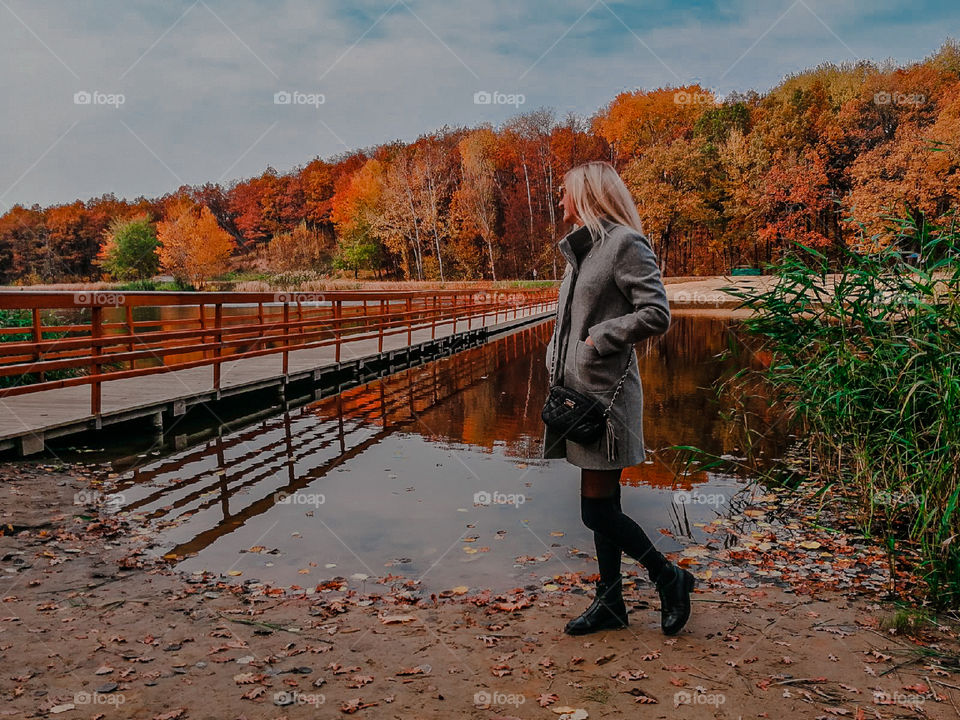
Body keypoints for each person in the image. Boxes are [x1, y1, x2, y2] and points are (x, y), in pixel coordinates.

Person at [542, 160, 695, 636]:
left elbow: (656, 312)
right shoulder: (582, 252)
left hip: (607, 400)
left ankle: (668, 578)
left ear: (586, 194)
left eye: (565, 192)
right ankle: (611, 603)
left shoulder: (625, 244)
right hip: (578, 396)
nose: (560, 200)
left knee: (596, 509)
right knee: (604, 504)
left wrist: (599, 337)